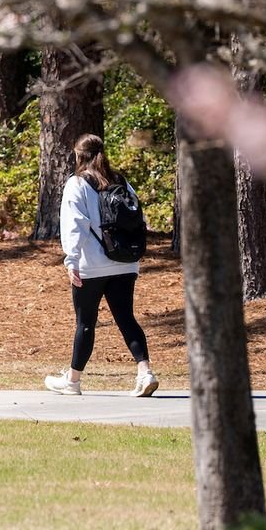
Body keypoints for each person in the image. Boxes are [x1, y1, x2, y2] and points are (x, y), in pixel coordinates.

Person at [46, 134, 159, 397]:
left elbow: (75, 225)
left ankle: (72, 381)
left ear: (79, 155)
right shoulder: (121, 181)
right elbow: (137, 219)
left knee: (85, 323)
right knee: (126, 318)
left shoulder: (76, 184)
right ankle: (145, 372)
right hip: (124, 263)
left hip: (91, 265)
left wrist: (71, 260)